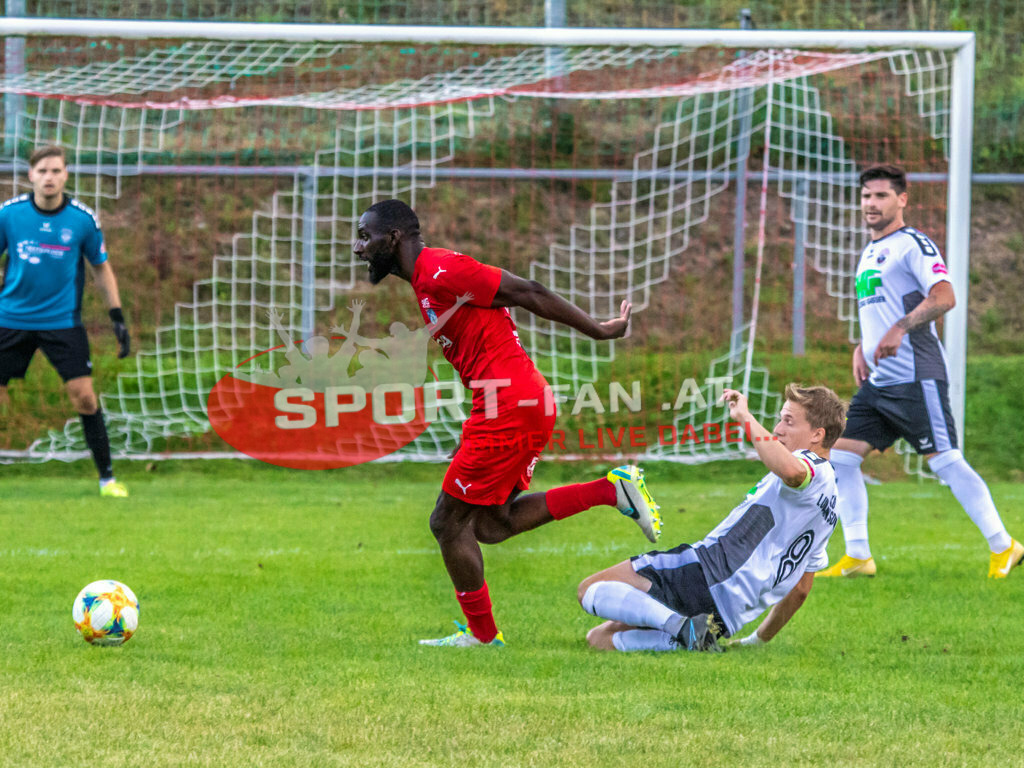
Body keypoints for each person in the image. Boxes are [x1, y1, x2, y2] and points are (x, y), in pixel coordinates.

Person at [353, 198, 662, 647]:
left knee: (446, 524)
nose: (358, 248)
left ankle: (482, 638)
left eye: (365, 236)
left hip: (510, 405)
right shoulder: (426, 281)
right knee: (490, 525)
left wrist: (601, 329)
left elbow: (529, 291)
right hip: (513, 403)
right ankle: (610, 490)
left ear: (394, 237)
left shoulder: (441, 269)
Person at [817, 164, 1022, 580]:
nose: (871, 204)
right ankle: (858, 555)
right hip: (879, 382)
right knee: (839, 458)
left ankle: (1005, 547)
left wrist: (900, 327)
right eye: (866, 196)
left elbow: (945, 296)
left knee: (945, 461)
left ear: (902, 200)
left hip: (917, 376)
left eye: (881, 196)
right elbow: (882, 307)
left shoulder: (913, 244)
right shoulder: (870, 251)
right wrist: (864, 345)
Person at [578, 384, 845, 652]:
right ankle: (691, 640)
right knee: (600, 638)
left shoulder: (811, 467)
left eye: (789, 421)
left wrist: (745, 418)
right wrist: (757, 641)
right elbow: (800, 590)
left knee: (590, 589)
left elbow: (792, 472)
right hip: (725, 617)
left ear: (816, 435)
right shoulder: (830, 510)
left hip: (705, 572)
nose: (778, 429)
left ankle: (680, 627)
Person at [0, 145, 131, 496]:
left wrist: (116, 316)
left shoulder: (82, 219)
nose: (49, 177)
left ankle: (107, 479)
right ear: (30, 175)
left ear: (66, 175)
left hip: (62, 322)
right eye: (42, 171)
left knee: (85, 398)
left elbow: (101, 268)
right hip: (10, 319)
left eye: (56, 171)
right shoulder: (8, 215)